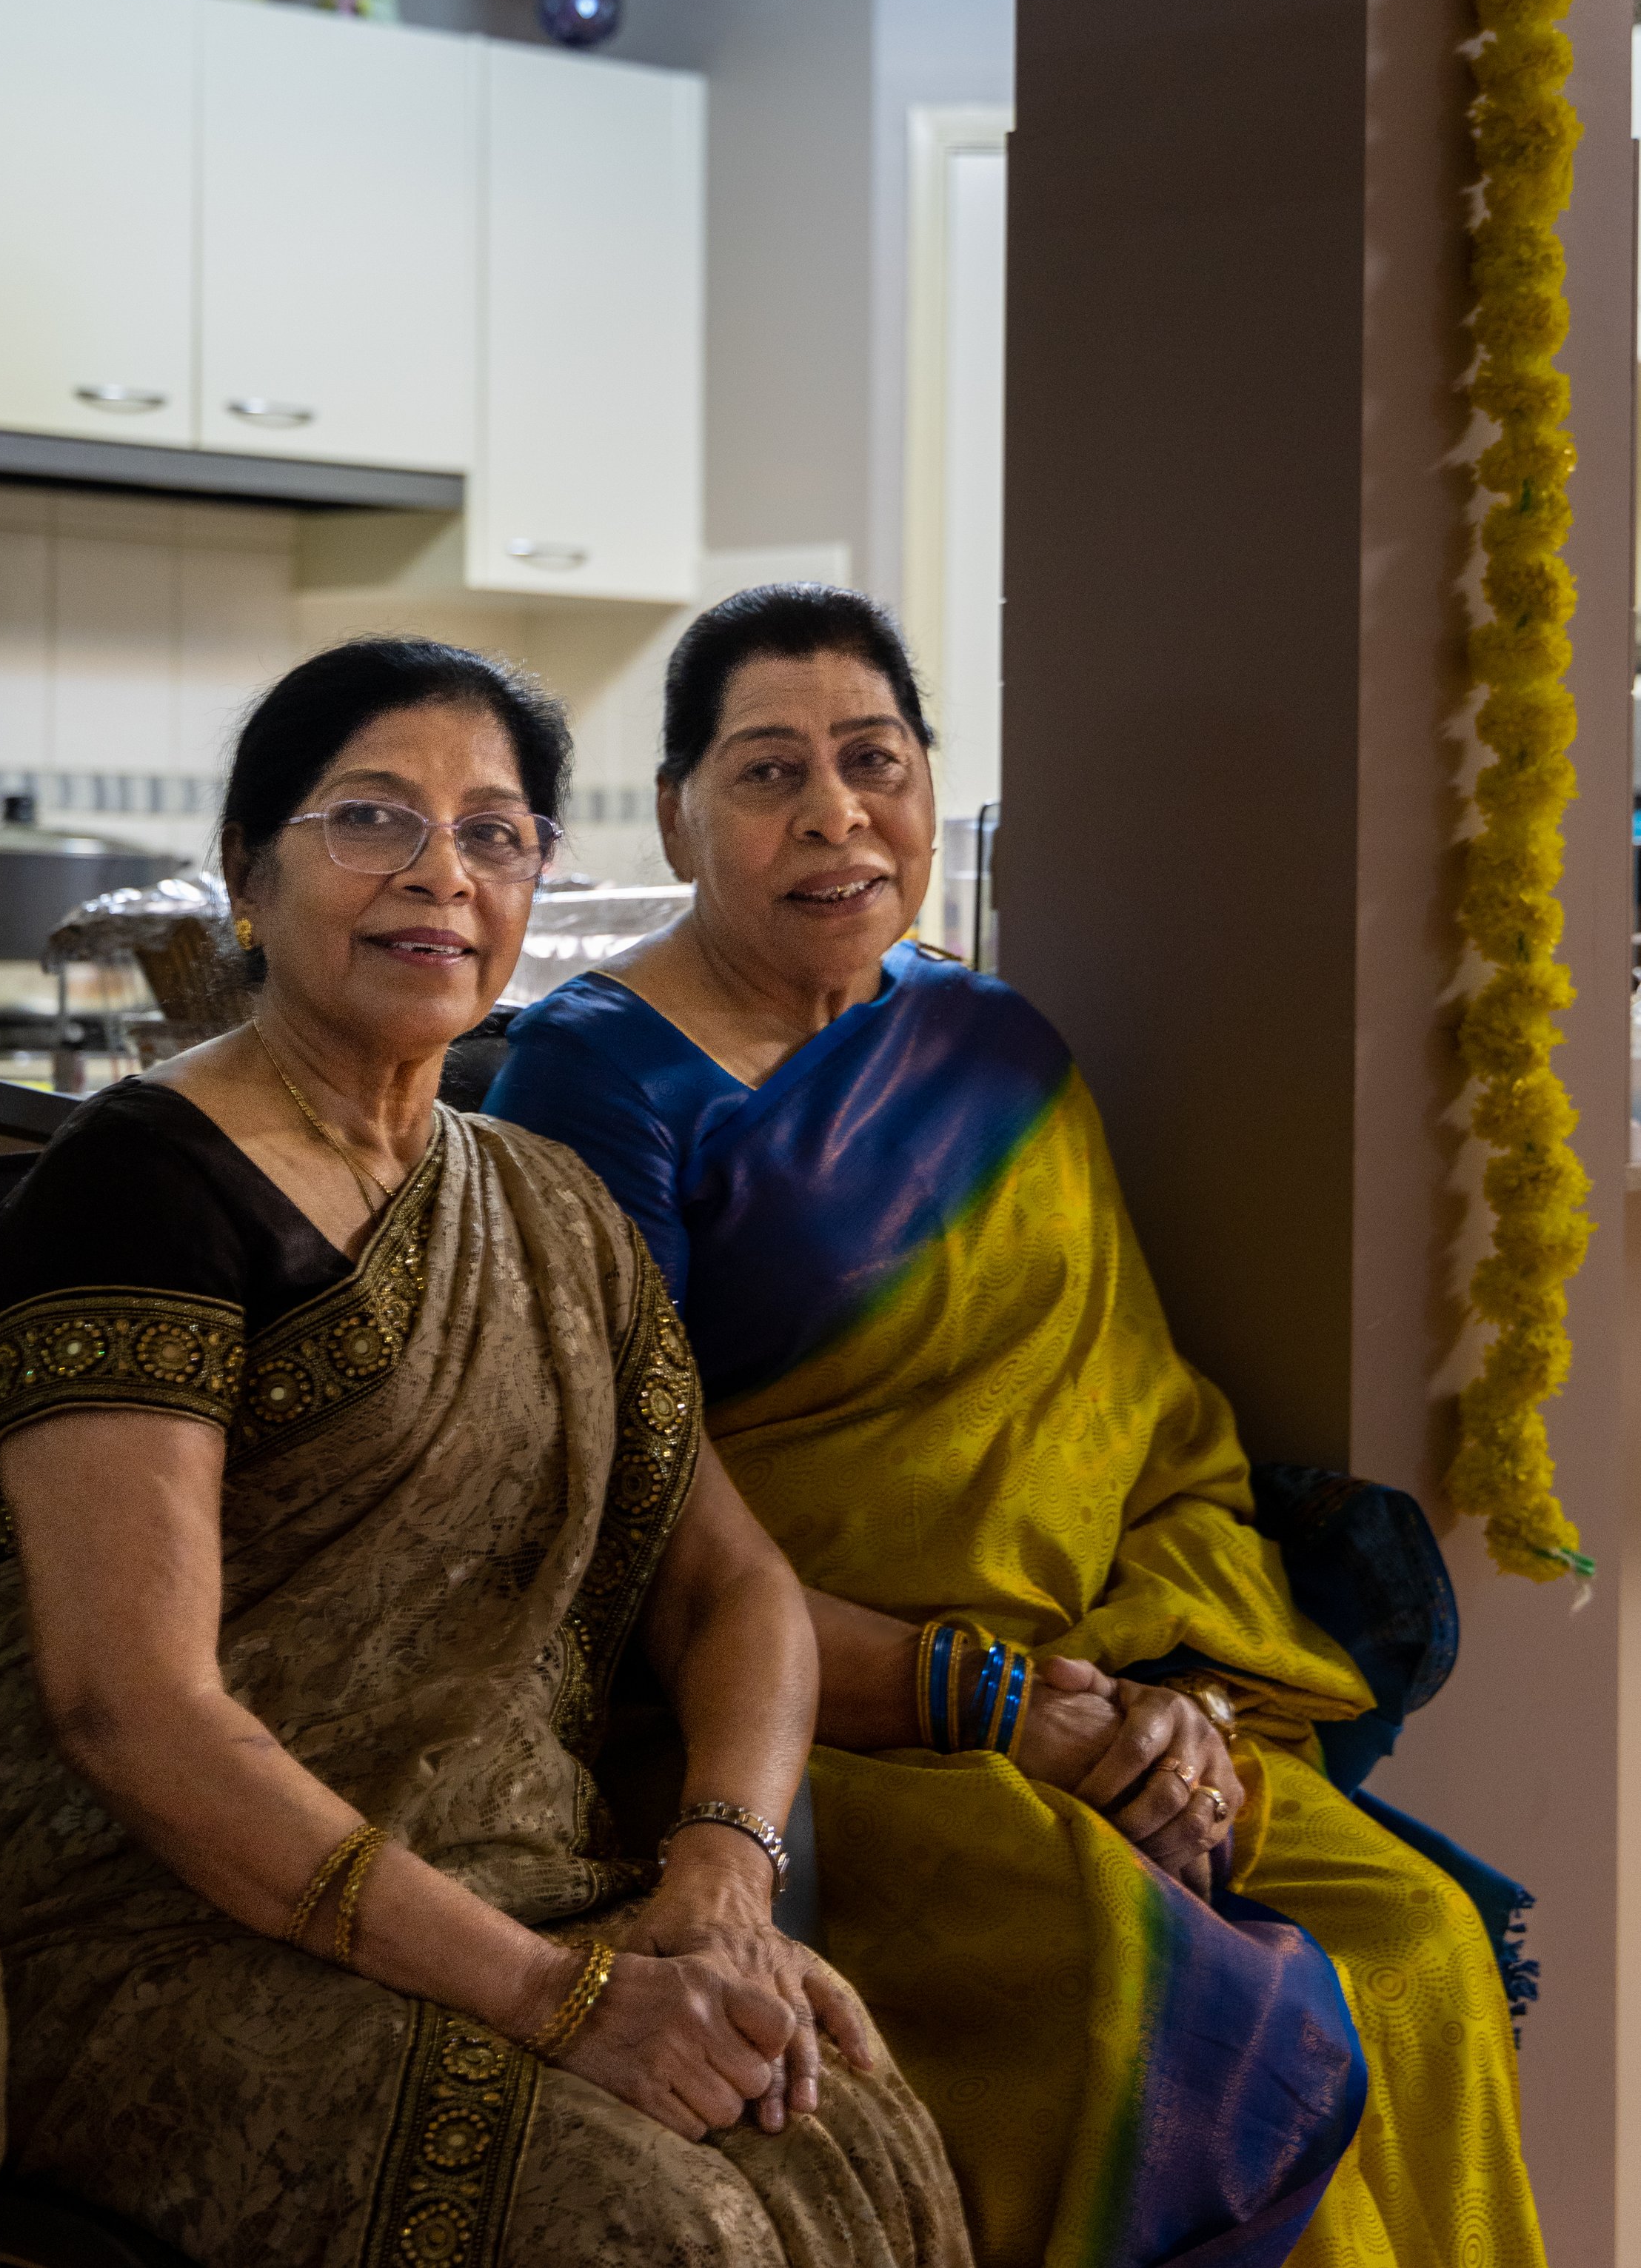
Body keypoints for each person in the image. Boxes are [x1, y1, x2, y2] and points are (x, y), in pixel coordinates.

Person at [484, 584, 1547, 2268]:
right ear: (680, 814)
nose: (834, 814)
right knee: (1181, 2014)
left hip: (1097, 1683)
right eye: (767, 773)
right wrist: (989, 1704)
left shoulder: (995, 1051)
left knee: (1411, 1942)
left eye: (872, 761)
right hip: (802, 1728)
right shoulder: (592, 1081)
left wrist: (1176, 1711)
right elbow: (625, 1544)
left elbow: (1149, 1441)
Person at [0, 635, 975, 2268]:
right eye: (371, 820)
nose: (440, 876)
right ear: (247, 876)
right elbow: (133, 1710)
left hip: (517, 1891)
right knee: (649, 2226)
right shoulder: (139, 1187)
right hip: (145, 1931)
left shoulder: (546, 1207)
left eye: (494, 833)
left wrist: (716, 1888)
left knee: (842, 2135)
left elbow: (733, 1595)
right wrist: (554, 1999)